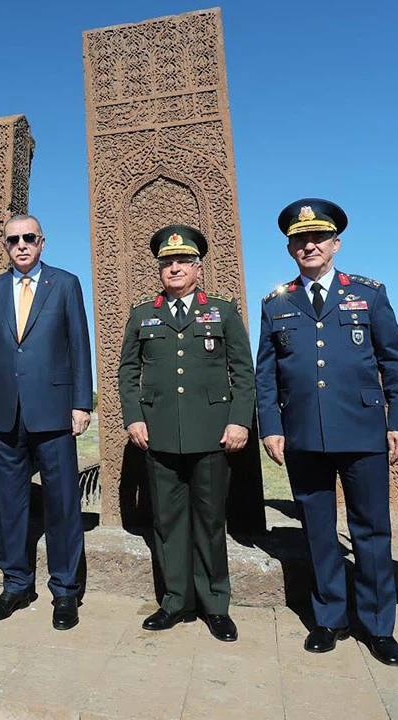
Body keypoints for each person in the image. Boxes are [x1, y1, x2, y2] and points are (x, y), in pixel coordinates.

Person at [256, 199, 398, 666]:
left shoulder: (368, 293)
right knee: (319, 531)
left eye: (318, 238)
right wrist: (271, 428)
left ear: (335, 244)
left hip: (364, 430)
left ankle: (378, 625)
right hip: (304, 432)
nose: (309, 245)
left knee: (371, 530)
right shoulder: (276, 302)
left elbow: (394, 360)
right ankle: (329, 618)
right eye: (300, 240)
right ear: (289, 248)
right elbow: (267, 374)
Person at [117, 225, 254, 642]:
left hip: (212, 434)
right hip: (158, 435)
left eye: (182, 261)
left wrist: (239, 420)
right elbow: (128, 371)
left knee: (211, 521)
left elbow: (244, 373)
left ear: (198, 266)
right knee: (167, 522)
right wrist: (134, 417)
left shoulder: (223, 312)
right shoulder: (143, 314)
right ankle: (175, 601)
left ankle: (215, 604)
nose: (174, 268)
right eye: (167, 263)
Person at [0, 213, 93, 630]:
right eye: (12, 240)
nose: (20, 245)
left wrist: (81, 403)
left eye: (29, 238)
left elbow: (79, 343)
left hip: (54, 409)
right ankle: (16, 583)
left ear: (42, 242)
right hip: (5, 412)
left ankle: (64, 590)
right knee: (8, 504)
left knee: (61, 504)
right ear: (4, 245)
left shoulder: (65, 283)